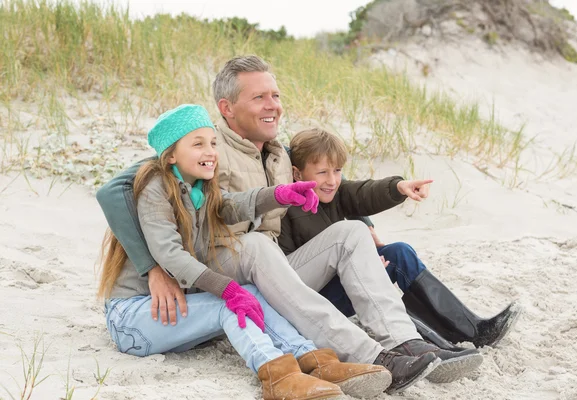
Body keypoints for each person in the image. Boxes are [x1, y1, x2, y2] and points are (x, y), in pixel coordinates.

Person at [96, 55, 481, 389]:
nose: (273, 106)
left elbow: (337, 187)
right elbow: (116, 189)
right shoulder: (205, 145)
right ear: (227, 108)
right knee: (259, 246)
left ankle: (402, 343)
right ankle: (370, 354)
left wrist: (382, 199)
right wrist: (151, 270)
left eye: (275, 96)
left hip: (272, 268)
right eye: (259, 97)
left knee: (352, 233)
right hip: (217, 268)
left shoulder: (280, 152)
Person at [98, 104, 398, 400]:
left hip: (175, 310)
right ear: (171, 155)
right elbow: (170, 254)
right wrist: (225, 288)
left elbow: (233, 205)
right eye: (198, 144)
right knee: (231, 302)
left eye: (213, 143)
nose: (210, 151)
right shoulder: (155, 188)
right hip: (133, 318)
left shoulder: (200, 187)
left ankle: (316, 362)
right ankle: (278, 377)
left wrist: (279, 194)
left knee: (251, 293)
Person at [280, 128, 522, 349]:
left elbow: (364, 192)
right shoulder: (286, 206)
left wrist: (399, 187)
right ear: (296, 173)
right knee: (380, 268)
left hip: (337, 280)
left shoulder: (334, 192)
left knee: (399, 253)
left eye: (338, 171)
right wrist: (360, 270)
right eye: (322, 172)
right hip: (313, 300)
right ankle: (437, 344)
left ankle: (471, 330)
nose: (332, 181)